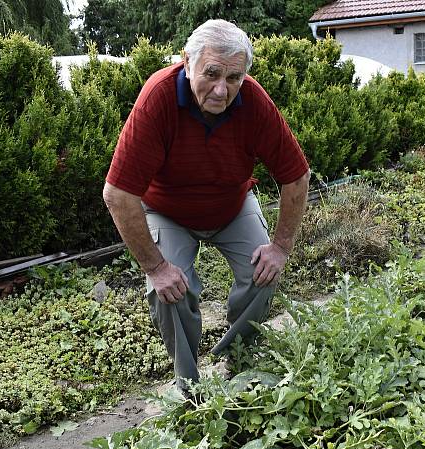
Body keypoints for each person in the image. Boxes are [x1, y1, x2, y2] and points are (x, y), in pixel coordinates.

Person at [103, 19, 310, 389]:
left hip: (232, 204)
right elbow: (118, 194)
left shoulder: (254, 102)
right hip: (168, 210)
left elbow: (296, 176)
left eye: (233, 78)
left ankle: (239, 361)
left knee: (263, 273)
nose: (221, 90)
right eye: (211, 73)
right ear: (187, 62)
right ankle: (190, 386)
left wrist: (280, 247)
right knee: (168, 290)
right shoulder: (159, 97)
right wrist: (156, 267)